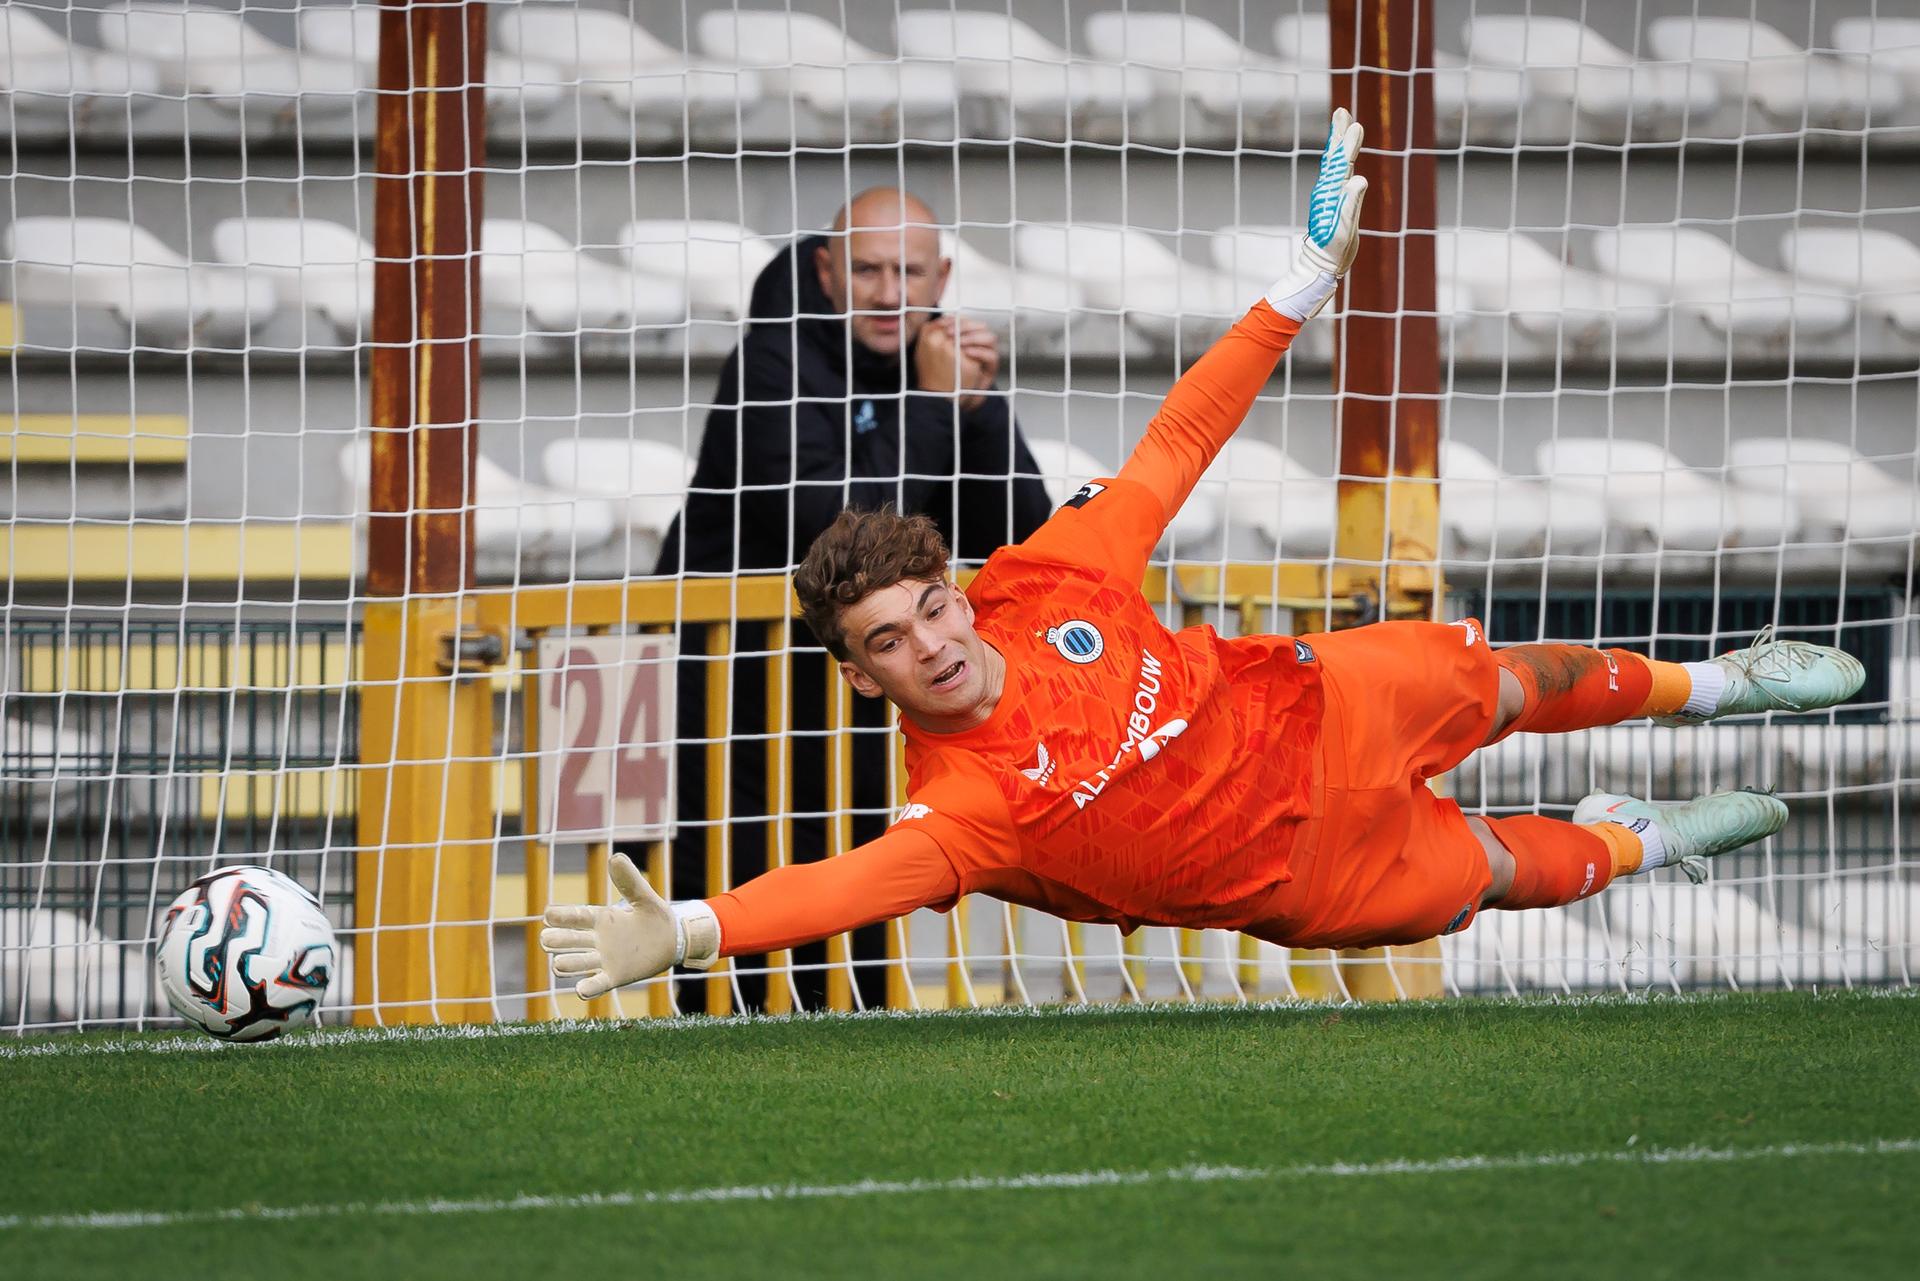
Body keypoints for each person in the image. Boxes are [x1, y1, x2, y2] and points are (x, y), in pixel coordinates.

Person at [549, 113, 1865, 999]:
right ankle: (1644, 841)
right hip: (1302, 877)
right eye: (888, 642)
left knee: (1517, 682)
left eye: (930, 609)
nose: (931, 644)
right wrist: (684, 930)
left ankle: (1723, 679)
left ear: (958, 589)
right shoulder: (963, 807)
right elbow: (838, 884)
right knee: (1510, 871)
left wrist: (1296, 286)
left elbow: (1183, 436)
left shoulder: (1054, 580)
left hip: (1319, 700)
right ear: (861, 680)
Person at [647, 189, 1053, 1010]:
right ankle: (703, 1041)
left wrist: (973, 411)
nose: (888, 291)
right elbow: (832, 533)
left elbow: (1022, 529)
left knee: (863, 864)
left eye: (909, 270)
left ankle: (857, 1035)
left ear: (941, 274)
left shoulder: (938, 361)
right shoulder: (771, 357)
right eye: (867, 269)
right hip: (727, 678)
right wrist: (937, 405)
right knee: (728, 862)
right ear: (828, 271)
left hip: (865, 675)